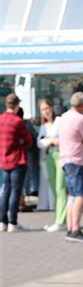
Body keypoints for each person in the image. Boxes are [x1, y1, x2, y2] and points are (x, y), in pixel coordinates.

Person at [59, 92, 83, 242]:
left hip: (65, 159)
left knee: (72, 195)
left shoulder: (65, 116)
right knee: (80, 195)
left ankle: (70, 227)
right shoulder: (80, 119)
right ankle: (75, 229)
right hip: (77, 159)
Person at [0, 94, 32, 232]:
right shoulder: (18, 121)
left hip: (3, 159)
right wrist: (20, 142)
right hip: (17, 160)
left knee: (5, 191)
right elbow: (28, 140)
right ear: (17, 105)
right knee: (15, 191)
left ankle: (2, 221)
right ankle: (13, 222)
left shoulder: (0, 120)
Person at [37, 99, 68, 232]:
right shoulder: (44, 126)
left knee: (60, 187)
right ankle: (58, 218)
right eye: (43, 109)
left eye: (47, 108)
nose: (45, 111)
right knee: (54, 188)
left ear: (52, 107)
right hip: (48, 156)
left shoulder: (59, 121)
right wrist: (50, 141)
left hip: (60, 155)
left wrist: (49, 141)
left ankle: (61, 220)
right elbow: (39, 143)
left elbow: (64, 138)